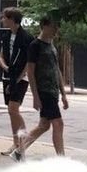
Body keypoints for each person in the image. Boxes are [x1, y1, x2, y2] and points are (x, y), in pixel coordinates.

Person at [15, 16, 69, 160]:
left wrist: (63, 94)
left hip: (53, 91)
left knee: (44, 125)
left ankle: (19, 151)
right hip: (43, 91)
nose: (55, 30)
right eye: (53, 26)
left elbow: (57, 70)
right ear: (44, 26)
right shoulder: (35, 46)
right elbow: (31, 72)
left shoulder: (52, 46)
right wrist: (35, 96)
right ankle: (61, 159)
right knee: (58, 123)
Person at [0, 7, 32, 157]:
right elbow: (0, 56)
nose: (2, 20)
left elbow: (28, 62)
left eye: (5, 18)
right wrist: (5, 67)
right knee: (11, 111)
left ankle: (23, 142)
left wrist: (18, 78)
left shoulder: (26, 38)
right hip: (8, 76)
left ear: (12, 19)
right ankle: (16, 142)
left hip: (20, 77)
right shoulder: (5, 36)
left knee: (13, 109)